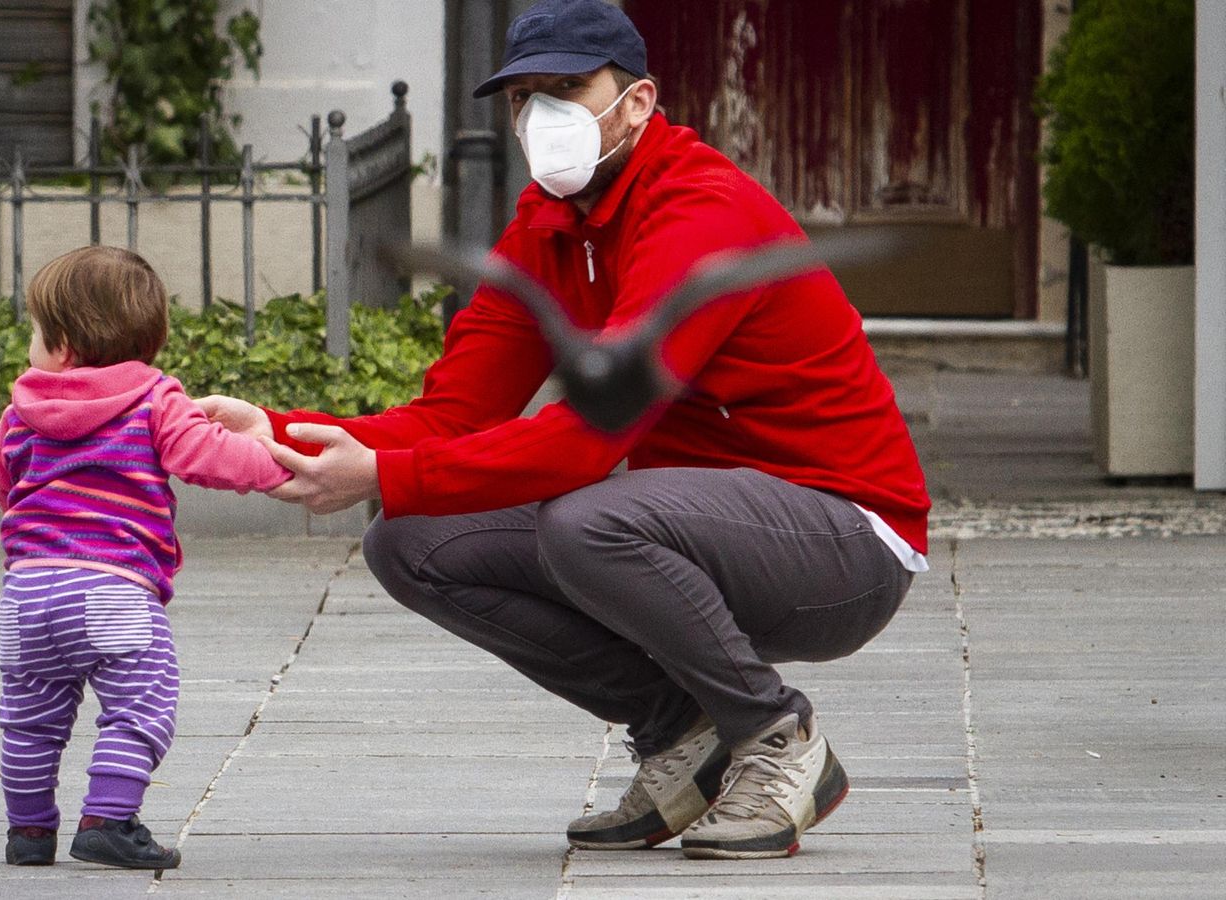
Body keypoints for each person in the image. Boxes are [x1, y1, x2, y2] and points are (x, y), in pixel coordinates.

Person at [202, 0, 930, 861]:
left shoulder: (696, 207)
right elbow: (451, 416)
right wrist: (280, 429)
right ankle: (679, 732)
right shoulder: (547, 227)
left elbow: (588, 443)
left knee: (586, 519)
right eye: (523, 97)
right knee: (411, 542)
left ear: (638, 102)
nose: (541, 115)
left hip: (847, 539)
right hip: (700, 526)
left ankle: (777, 741)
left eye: (568, 88)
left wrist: (382, 474)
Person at [0, 246, 290, 869]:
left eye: (35, 333)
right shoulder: (154, 398)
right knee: (141, 703)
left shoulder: (20, 413)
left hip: (25, 594)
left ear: (64, 344)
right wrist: (274, 457)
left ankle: (29, 833)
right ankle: (108, 819)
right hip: (112, 591)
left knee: (29, 719)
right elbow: (208, 458)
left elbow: (1, 483)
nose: (30, 348)